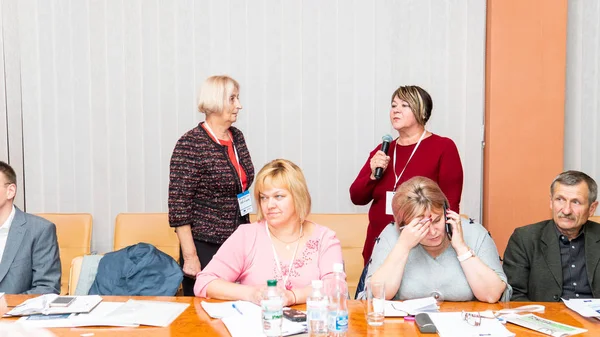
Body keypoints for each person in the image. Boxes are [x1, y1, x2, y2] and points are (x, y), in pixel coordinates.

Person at [194, 159, 344, 305]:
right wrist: (251, 294)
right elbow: (204, 282)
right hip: (259, 326)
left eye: (278, 196)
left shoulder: (325, 238)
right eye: (263, 198)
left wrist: (293, 296)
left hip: (313, 326)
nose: (269, 205)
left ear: (298, 196)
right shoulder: (246, 236)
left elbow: (337, 286)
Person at [350, 85, 463, 265]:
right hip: (379, 245)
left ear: (422, 111)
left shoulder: (443, 147)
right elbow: (356, 197)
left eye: (404, 105)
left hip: (422, 247)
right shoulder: (382, 151)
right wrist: (372, 175)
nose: (396, 110)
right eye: (393, 105)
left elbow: (451, 203)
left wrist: (444, 242)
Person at [169, 75, 255, 296]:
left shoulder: (237, 137)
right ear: (216, 101)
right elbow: (179, 208)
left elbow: (240, 187)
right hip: (206, 245)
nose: (239, 105)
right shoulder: (190, 144)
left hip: (239, 240)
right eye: (233, 99)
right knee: (204, 313)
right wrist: (190, 257)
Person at [361, 176, 509, 303]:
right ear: (403, 226)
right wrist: (403, 246)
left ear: (447, 211)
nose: (432, 232)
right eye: (421, 225)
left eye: (437, 220)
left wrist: (461, 248)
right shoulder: (391, 235)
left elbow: (492, 295)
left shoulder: (475, 232)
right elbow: (378, 295)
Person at [503, 170, 600, 301]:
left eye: (576, 202)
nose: (566, 210)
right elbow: (514, 294)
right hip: (546, 317)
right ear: (551, 202)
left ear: (592, 208)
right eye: (560, 200)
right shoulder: (525, 238)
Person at [0, 161, 61, 294]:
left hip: (14, 313)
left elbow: (47, 288)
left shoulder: (40, 230)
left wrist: (7, 304)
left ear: (10, 191)